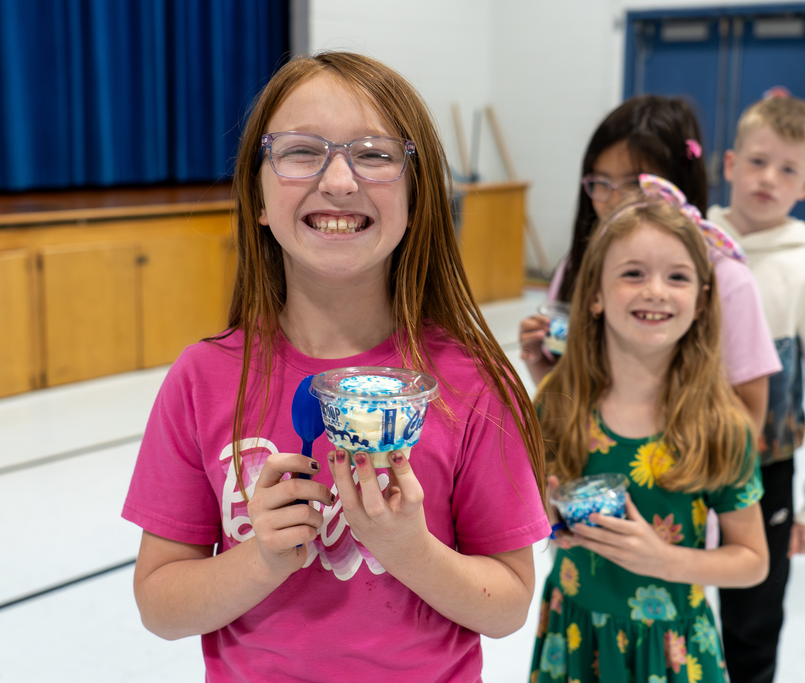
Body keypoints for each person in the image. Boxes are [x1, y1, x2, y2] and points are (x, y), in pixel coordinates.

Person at [121, 51, 551, 682]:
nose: (340, 181)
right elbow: (160, 606)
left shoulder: (472, 383)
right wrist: (261, 559)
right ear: (260, 198)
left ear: (416, 195)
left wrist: (410, 549)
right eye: (301, 151)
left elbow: (508, 604)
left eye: (374, 154)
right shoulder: (202, 378)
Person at [528, 181, 769, 683]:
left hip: (673, 649)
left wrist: (664, 560)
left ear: (702, 302)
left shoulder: (721, 425)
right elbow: (530, 507)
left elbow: (752, 561)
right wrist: (548, 518)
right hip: (574, 638)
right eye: (633, 274)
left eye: (677, 277)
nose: (655, 291)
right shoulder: (558, 400)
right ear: (593, 295)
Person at [519, 95, 780, 435]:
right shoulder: (577, 266)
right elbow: (568, 398)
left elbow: (749, 422)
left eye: (633, 185)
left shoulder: (727, 277)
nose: (614, 202)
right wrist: (541, 365)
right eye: (600, 183)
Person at [708, 94, 805, 683]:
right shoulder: (691, 245)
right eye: (758, 161)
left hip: (765, 470)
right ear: (729, 163)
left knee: (752, 616)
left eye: (788, 169)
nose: (769, 178)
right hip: (675, 461)